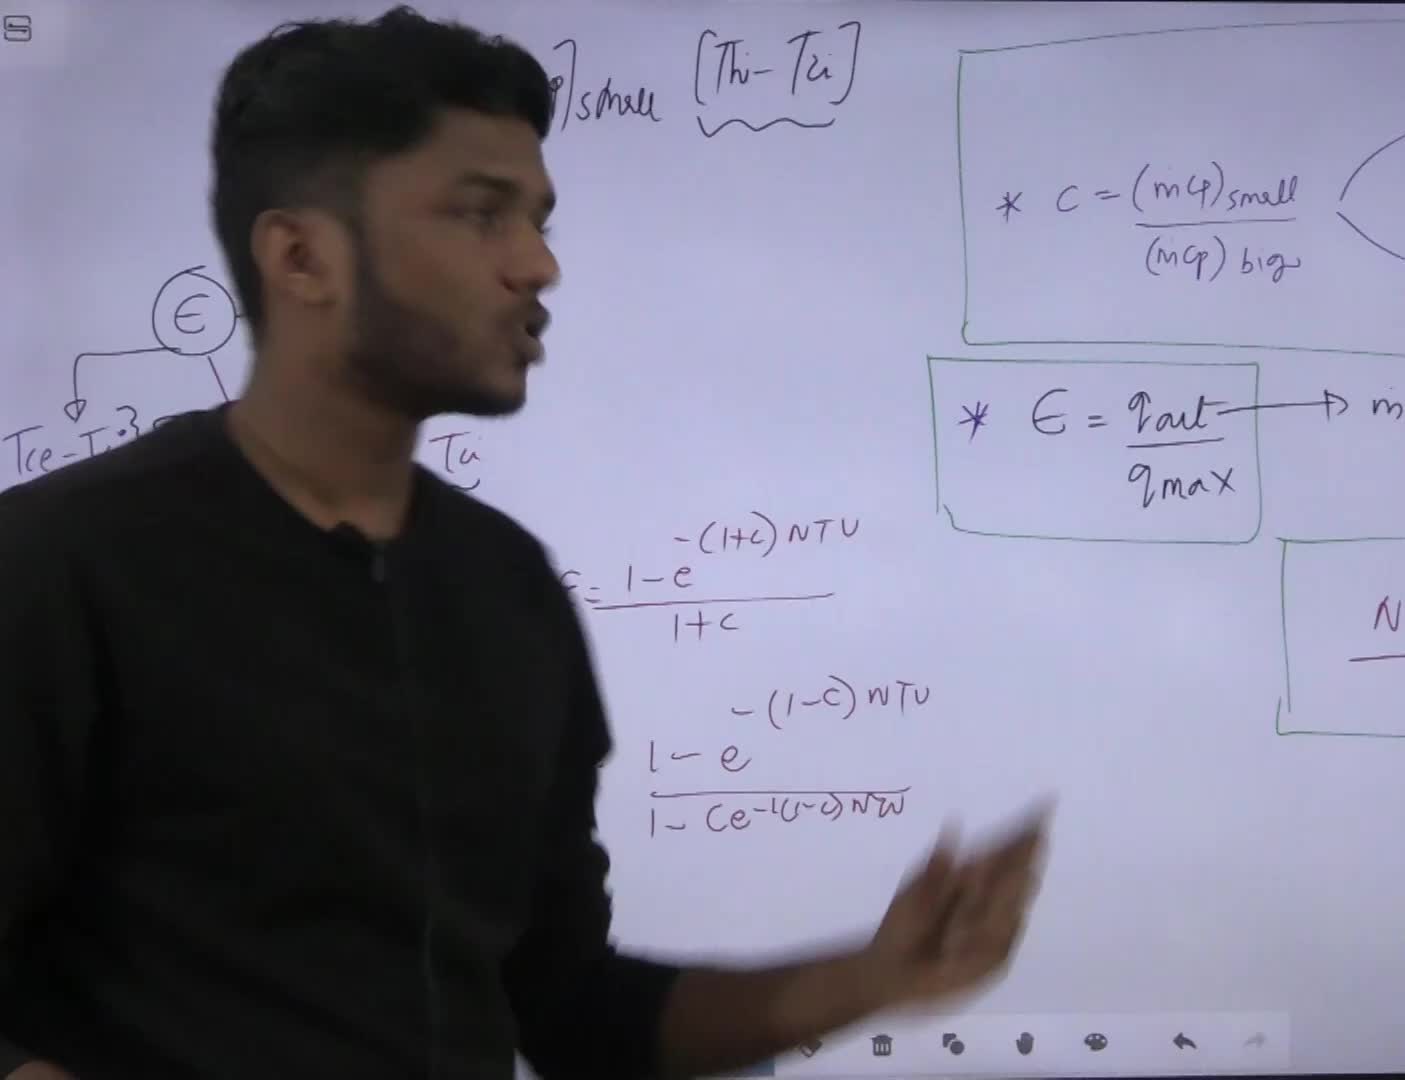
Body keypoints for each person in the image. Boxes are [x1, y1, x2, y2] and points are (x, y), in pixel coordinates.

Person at [0, 6, 1050, 1079]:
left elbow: (567, 1010)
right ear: (302, 256)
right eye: (481, 215)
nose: (539, 265)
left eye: (539, 219)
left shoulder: (505, 590)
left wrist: (870, 978)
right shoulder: (64, 563)